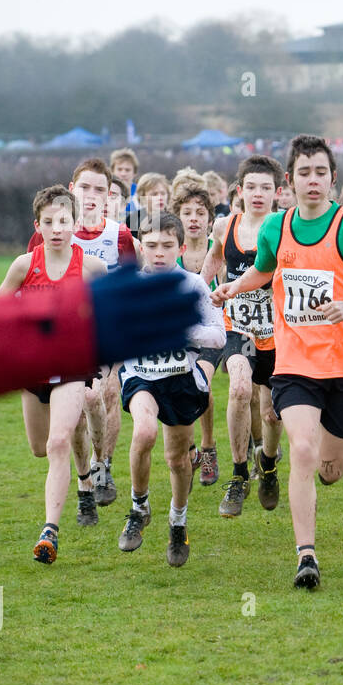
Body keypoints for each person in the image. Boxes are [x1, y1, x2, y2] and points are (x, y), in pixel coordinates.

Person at [211, 134, 343, 590]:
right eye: (303, 173)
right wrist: (234, 287)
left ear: (332, 180)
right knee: (301, 449)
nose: (312, 181)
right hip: (295, 361)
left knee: (329, 470)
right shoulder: (277, 227)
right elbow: (264, 267)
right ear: (288, 182)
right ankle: (306, 556)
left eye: (320, 173)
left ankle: (314, 476)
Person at [0, 263, 197, 425]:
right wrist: (65, 327)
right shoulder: (24, 265)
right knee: (42, 446)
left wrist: (66, 327)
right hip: (62, 341)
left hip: (71, 347)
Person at [0, 185, 109, 562]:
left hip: (72, 366)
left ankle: (50, 532)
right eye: (49, 222)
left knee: (59, 442)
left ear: (75, 223)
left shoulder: (92, 268)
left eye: (64, 220)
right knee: (39, 447)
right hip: (33, 367)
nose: (57, 228)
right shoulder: (23, 265)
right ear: (38, 225)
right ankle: (82, 480)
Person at [28, 158, 139, 511]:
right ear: (72, 189)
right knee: (72, 414)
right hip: (62, 341)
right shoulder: (51, 229)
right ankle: (83, 477)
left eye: (100, 190)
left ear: (109, 196)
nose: (91, 196)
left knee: (100, 396)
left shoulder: (119, 235)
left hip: (105, 336)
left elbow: (128, 291)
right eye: (85, 187)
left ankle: (103, 464)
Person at [115, 213, 225, 565]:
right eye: (151, 246)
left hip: (180, 376)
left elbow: (218, 334)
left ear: (179, 248)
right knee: (144, 432)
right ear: (141, 247)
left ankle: (178, 521)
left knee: (177, 459)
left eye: (166, 246)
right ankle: (138, 507)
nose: (158, 253)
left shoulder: (192, 286)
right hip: (141, 374)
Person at [200, 155, 285, 516]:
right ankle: (238, 476)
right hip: (238, 327)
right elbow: (214, 260)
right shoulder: (224, 225)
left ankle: (267, 465)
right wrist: (200, 291)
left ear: (278, 192)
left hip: (278, 332)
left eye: (266, 187)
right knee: (238, 387)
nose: (258, 194)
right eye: (251, 187)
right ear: (240, 190)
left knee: (270, 415)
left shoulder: (286, 227)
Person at [173, 182, 222, 486]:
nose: (193, 218)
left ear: (209, 219)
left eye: (199, 213)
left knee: (200, 383)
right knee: (181, 390)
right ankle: (190, 449)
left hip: (213, 333)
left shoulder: (217, 253)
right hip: (181, 337)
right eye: (186, 212)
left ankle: (207, 448)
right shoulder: (168, 254)